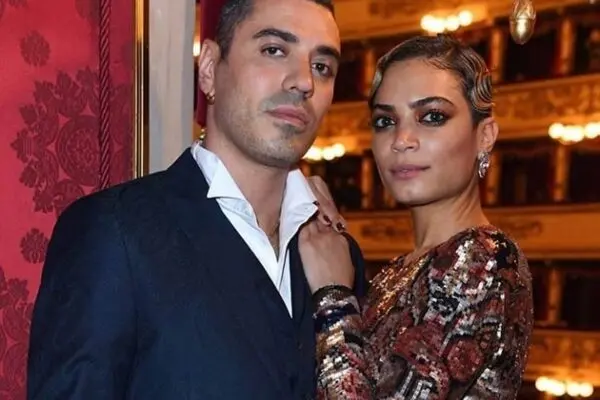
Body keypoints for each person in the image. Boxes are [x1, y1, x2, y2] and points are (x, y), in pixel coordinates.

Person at [26, 0, 366, 399]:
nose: (304, 81)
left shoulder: (339, 258)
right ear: (208, 69)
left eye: (322, 66)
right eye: (274, 50)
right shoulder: (114, 232)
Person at [299, 34, 534, 399]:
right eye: (385, 121)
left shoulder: (483, 259)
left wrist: (333, 296)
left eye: (432, 117)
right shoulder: (399, 270)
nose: (402, 139)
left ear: (485, 136)